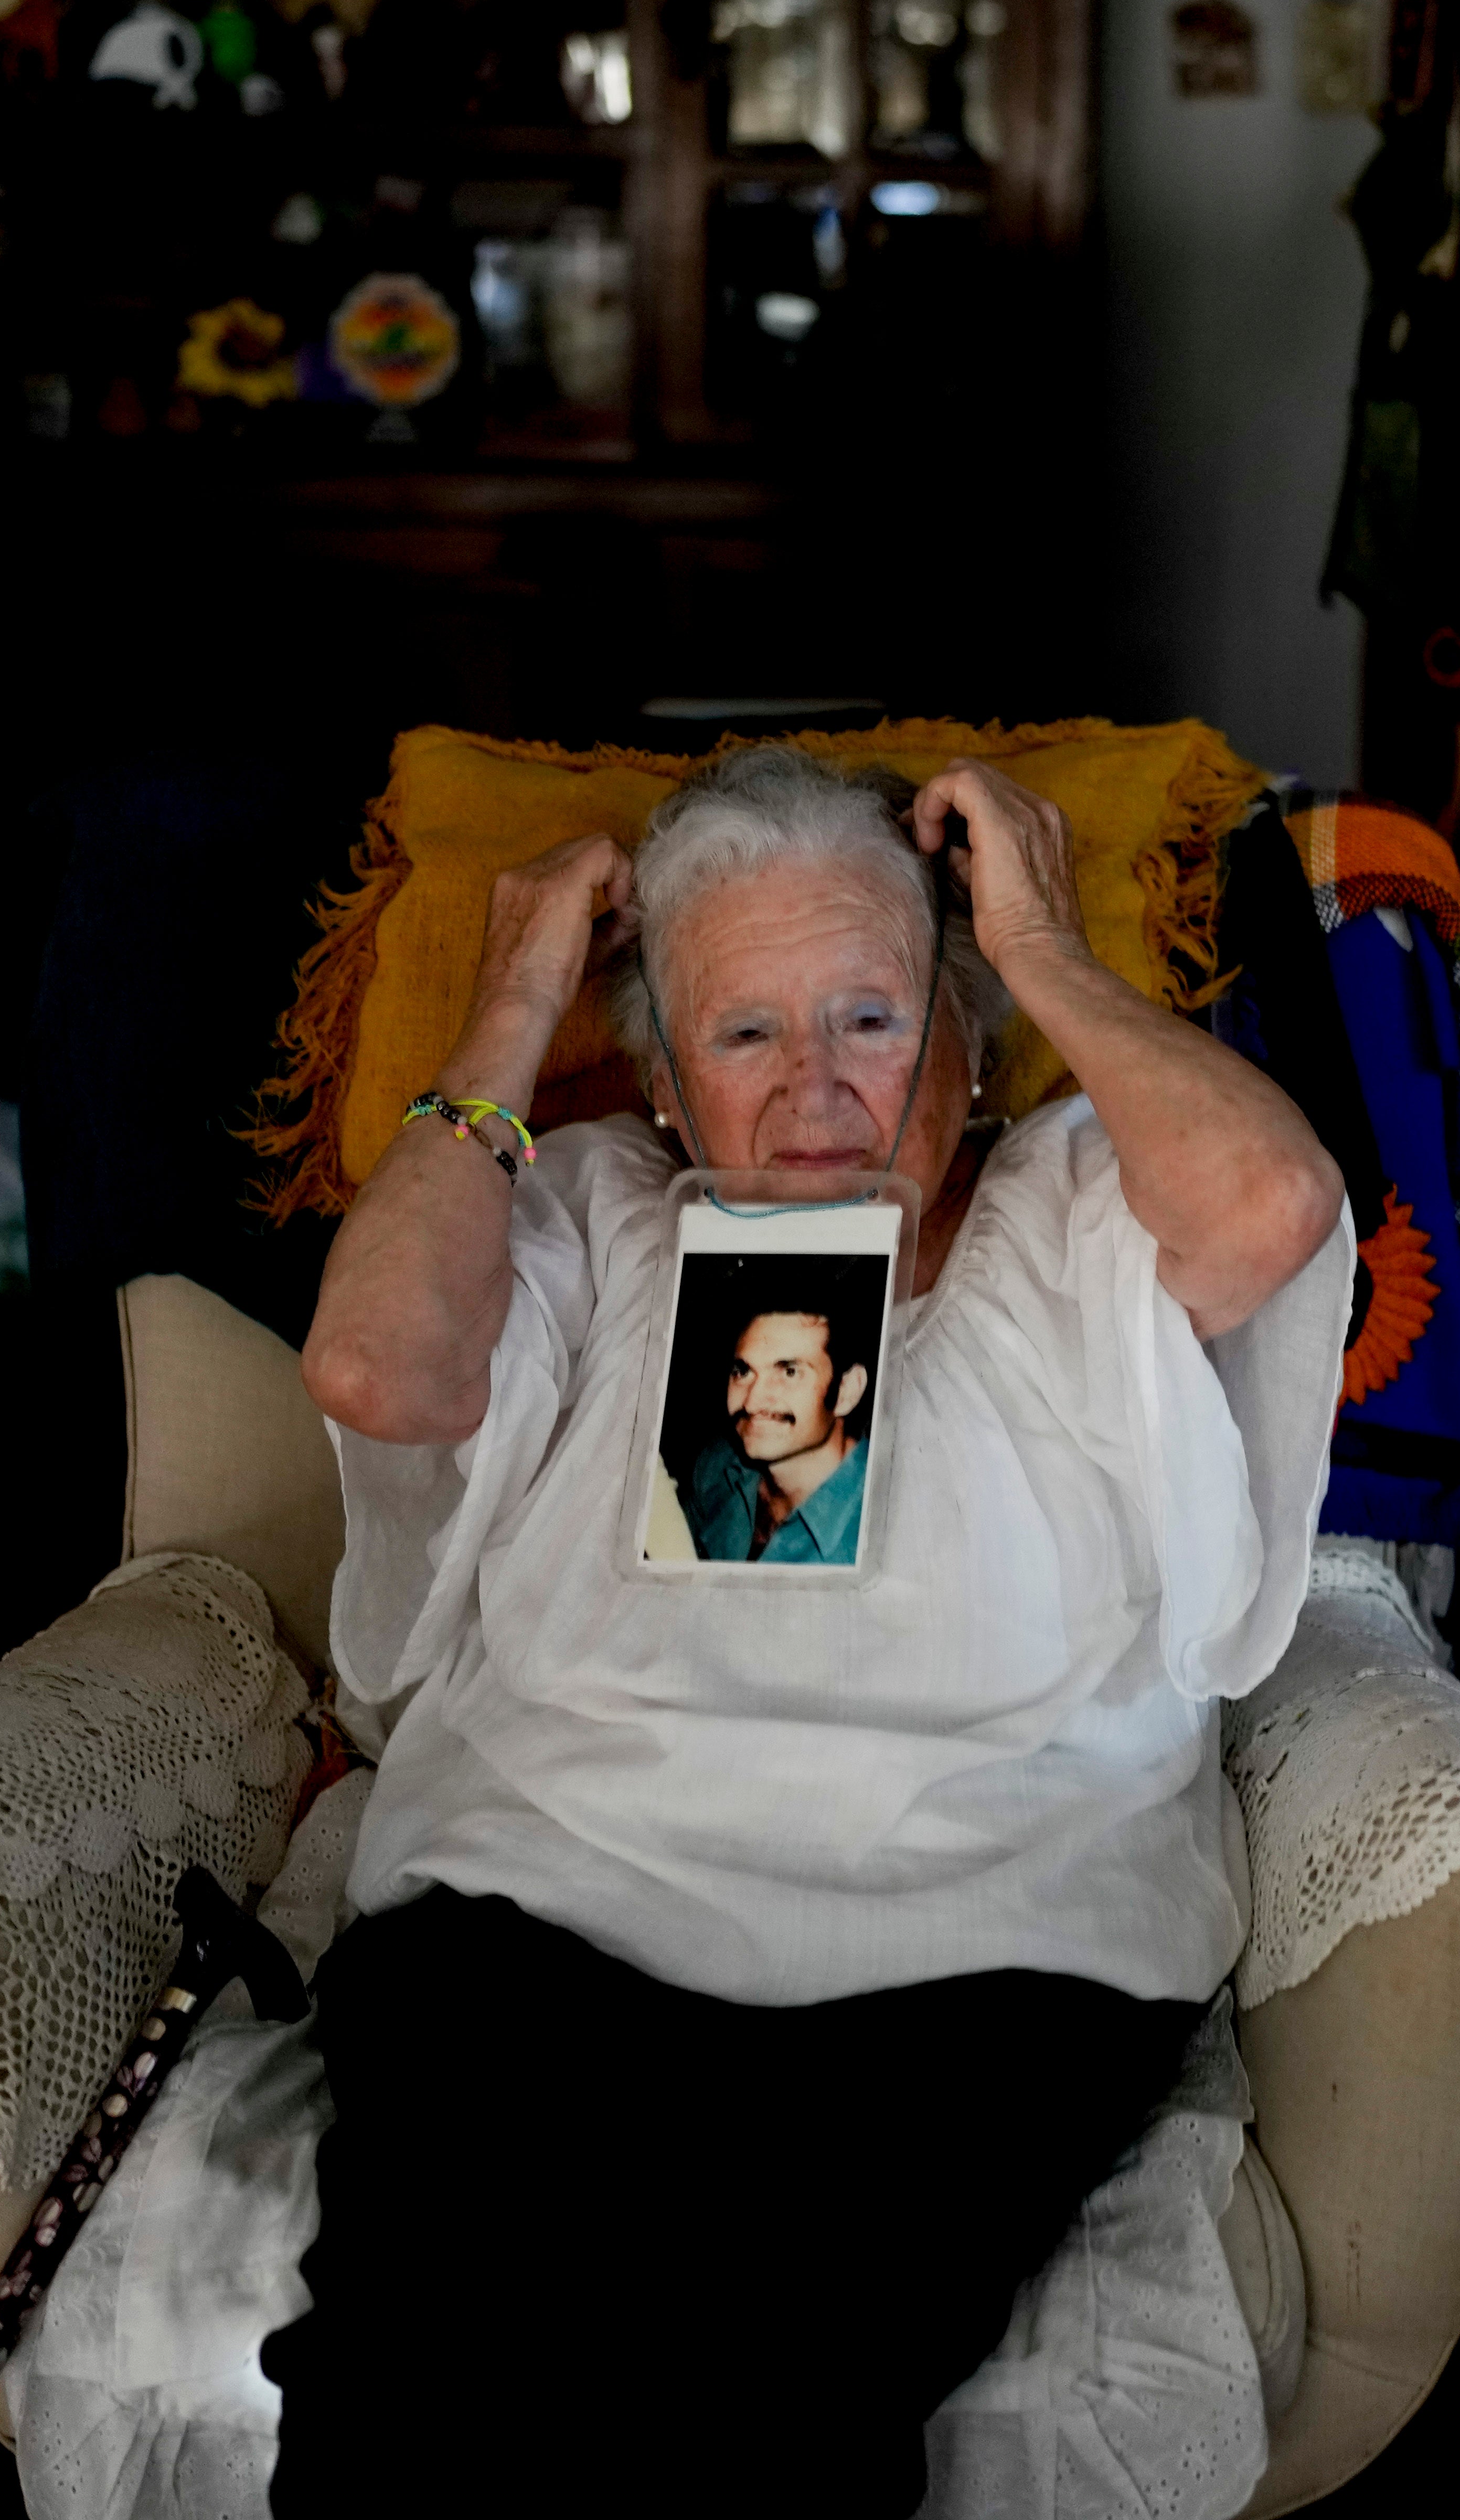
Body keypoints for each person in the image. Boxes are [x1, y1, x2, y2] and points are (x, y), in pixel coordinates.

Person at [277, 742, 1350, 2513]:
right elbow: (375, 1369)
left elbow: (1275, 1208)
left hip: (978, 1942)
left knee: (770, 2408)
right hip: (548, 1915)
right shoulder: (591, 1210)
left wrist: (1039, 942)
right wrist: (517, 999)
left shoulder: (1083, 1208)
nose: (814, 1094)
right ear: (668, 1085)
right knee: (405, 2380)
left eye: (870, 1017)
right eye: (745, 1033)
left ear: (965, 1041)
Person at [678, 1273, 875, 1563]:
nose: (752, 1402)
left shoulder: (879, 1529)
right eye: (743, 1372)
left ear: (847, 1391)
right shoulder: (718, 1466)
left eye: (789, 1372)